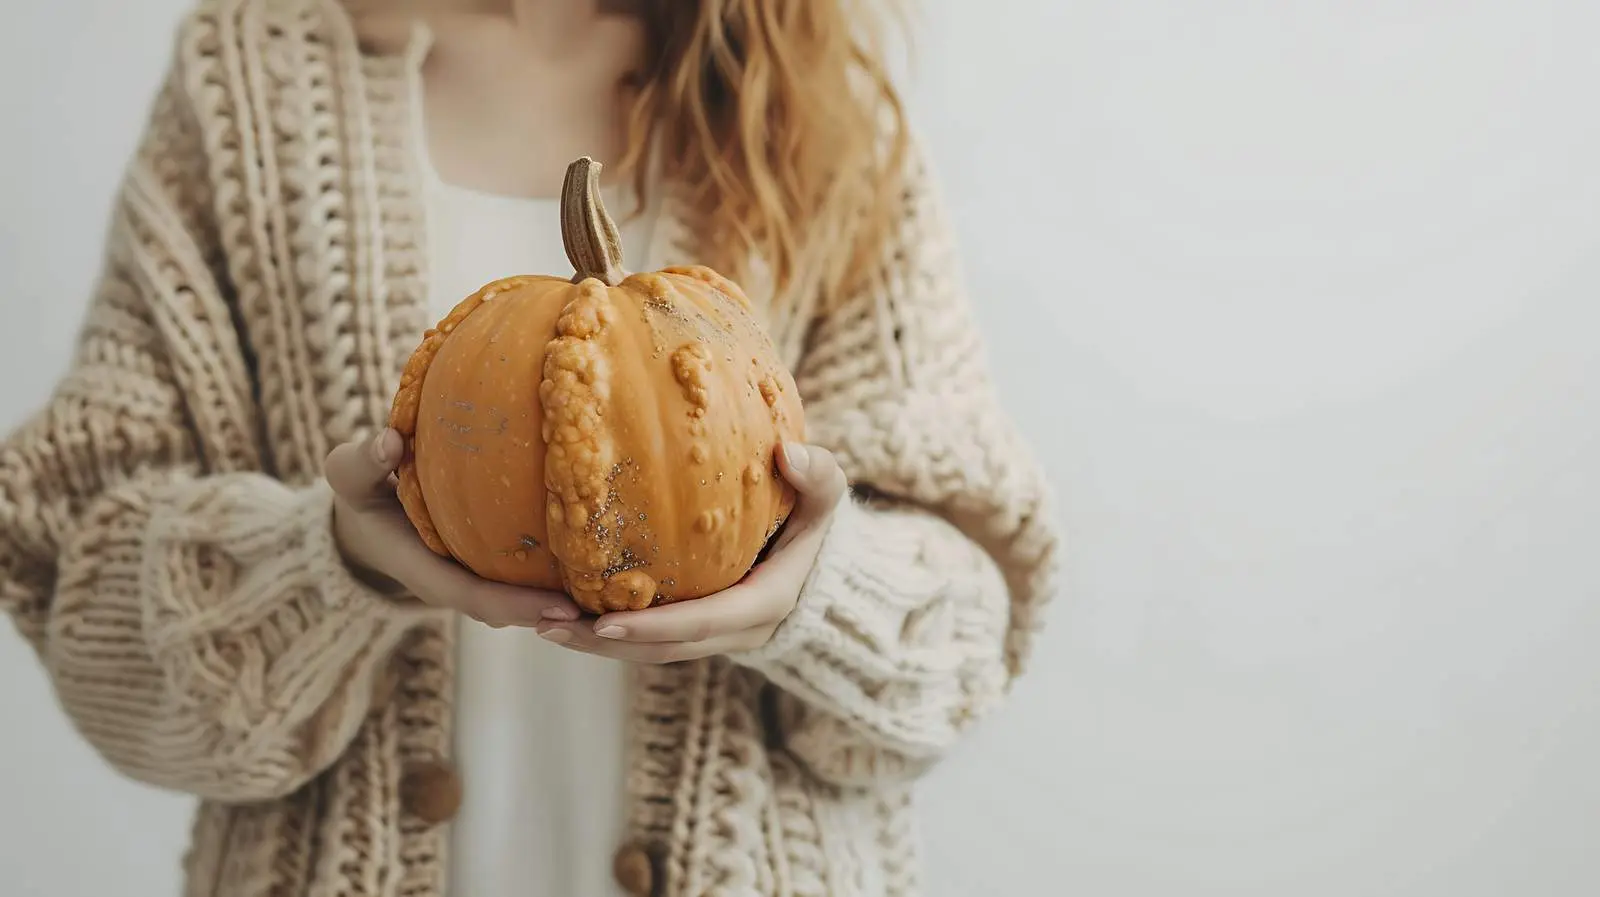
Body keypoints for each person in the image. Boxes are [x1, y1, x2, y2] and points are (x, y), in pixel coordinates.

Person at [0, 0, 1060, 895]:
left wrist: (821, 592)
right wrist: (330, 560)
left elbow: (969, 633)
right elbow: (85, 607)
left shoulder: (809, 99)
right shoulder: (255, 71)